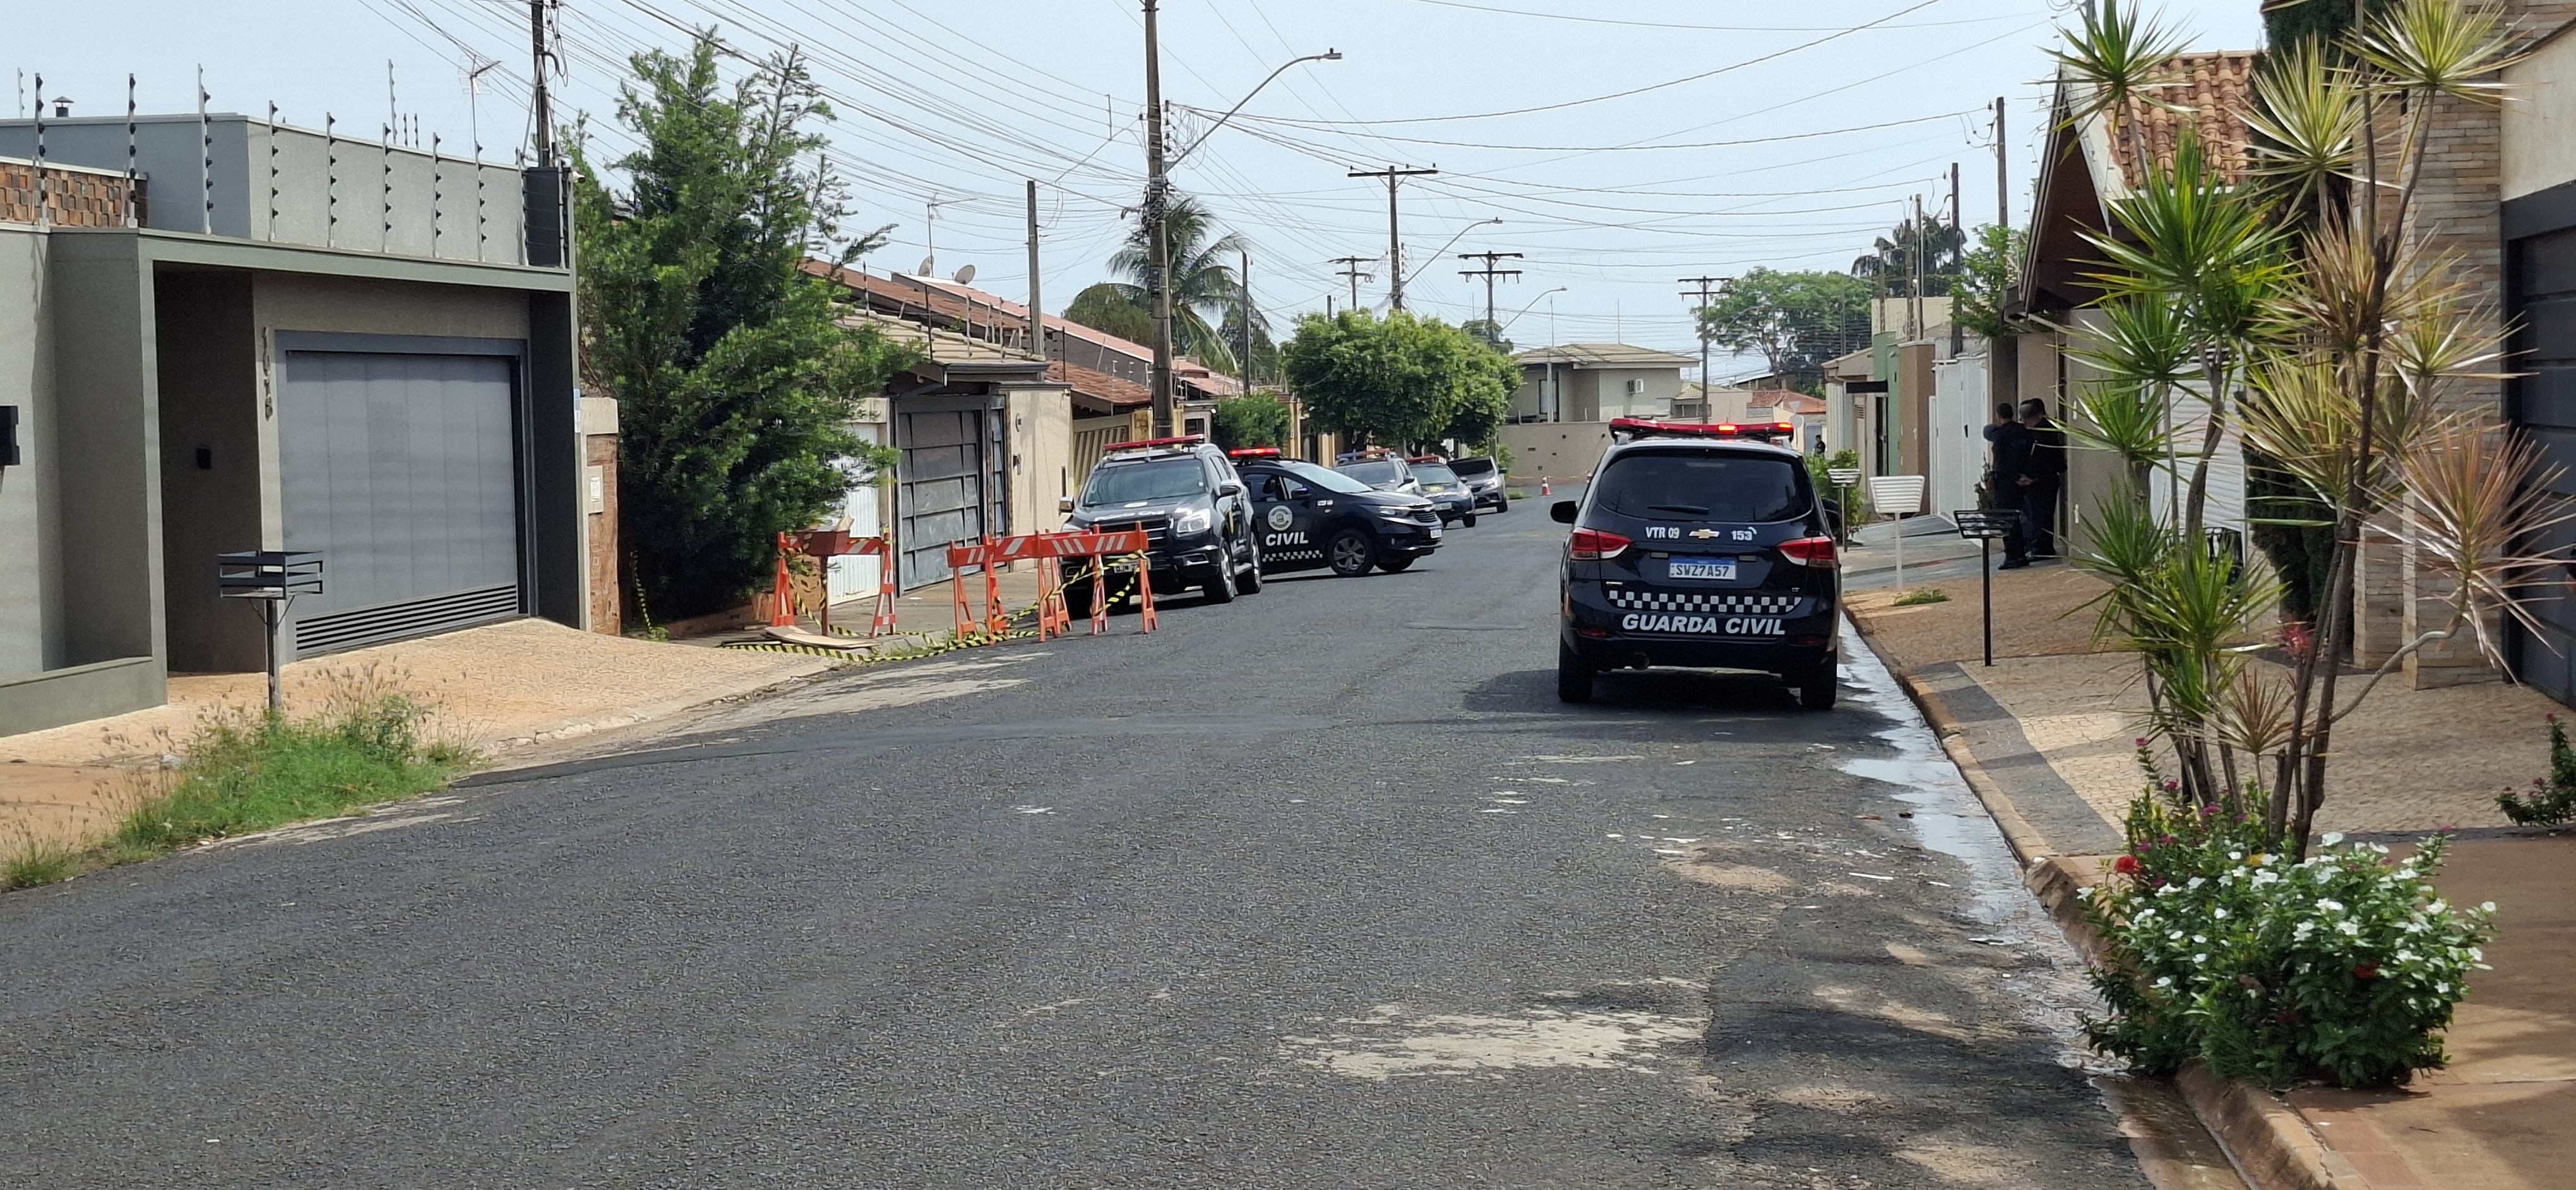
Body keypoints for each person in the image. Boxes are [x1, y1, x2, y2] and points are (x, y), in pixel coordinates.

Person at [1986, 404, 2035, 567]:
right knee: (2023, 517)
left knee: (2007, 519)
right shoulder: (2024, 432)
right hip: (2025, 480)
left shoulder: (2000, 436)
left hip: (2006, 483)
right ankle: (2022, 554)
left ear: (1998, 415)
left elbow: (2001, 462)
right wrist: (2026, 475)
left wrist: (2007, 478)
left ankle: (2012, 556)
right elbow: (2029, 455)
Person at [2018, 399, 2066, 559]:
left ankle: (2040, 546)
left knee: (2038, 515)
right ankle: (2043, 545)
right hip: (2050, 479)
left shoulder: (2038, 436)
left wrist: (2032, 478)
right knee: (2045, 514)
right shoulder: (2050, 430)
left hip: (2041, 481)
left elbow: (2037, 461)